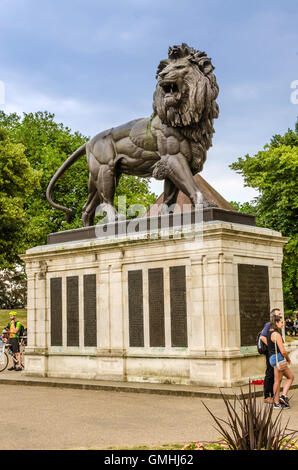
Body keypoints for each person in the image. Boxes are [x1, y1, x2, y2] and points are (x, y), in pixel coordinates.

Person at [267, 314, 294, 409]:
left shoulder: (269, 332)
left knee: (277, 380)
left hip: (272, 358)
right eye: (281, 322)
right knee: (290, 377)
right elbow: (282, 351)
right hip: (278, 358)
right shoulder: (277, 334)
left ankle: (279, 400)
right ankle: (279, 400)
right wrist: (288, 359)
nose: (283, 324)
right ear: (276, 323)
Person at [260, 308, 281, 404]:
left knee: (275, 374)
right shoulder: (268, 325)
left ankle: (274, 395)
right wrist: (271, 348)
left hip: (275, 353)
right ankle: (266, 396)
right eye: (279, 314)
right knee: (269, 373)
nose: (281, 315)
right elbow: (262, 337)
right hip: (270, 352)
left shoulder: (277, 325)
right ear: (273, 316)